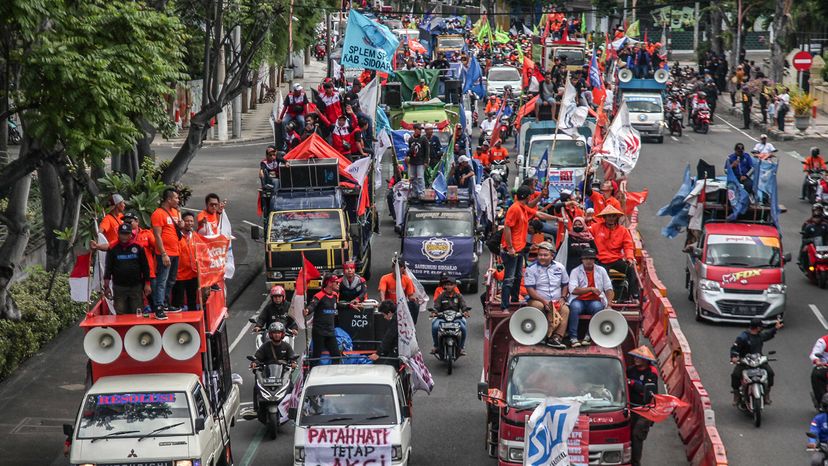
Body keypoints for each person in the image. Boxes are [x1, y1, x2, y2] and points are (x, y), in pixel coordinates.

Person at [501, 185, 558, 310]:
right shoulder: (515, 209)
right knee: (509, 278)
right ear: (527, 197)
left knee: (518, 276)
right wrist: (510, 247)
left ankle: (514, 301)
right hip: (512, 250)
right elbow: (507, 227)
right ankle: (505, 306)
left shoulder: (523, 208)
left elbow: (539, 214)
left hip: (519, 249)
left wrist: (557, 218)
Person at [524, 241, 570, 349]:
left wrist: (563, 298)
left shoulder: (560, 267)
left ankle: (556, 337)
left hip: (556, 300)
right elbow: (530, 290)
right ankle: (540, 335)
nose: (542, 257)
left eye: (545, 255)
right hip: (538, 299)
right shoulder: (531, 269)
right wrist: (544, 301)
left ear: (552, 256)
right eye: (540, 255)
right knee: (538, 306)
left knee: (565, 310)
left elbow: (565, 285)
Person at [566, 248, 614, 347]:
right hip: (579, 299)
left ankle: (589, 336)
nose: (589, 261)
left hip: (595, 300)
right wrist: (591, 289)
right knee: (574, 307)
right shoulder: (575, 271)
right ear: (582, 259)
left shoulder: (601, 270)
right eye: (586, 258)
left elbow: (609, 288)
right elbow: (573, 290)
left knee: (598, 307)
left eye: (591, 258)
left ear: (594, 260)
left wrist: (609, 304)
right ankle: (573, 337)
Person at [730, 318, 783, 404]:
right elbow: (735, 348)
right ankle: (736, 395)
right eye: (761, 327)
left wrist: (775, 328)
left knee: (770, 373)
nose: (762, 328)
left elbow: (768, 334)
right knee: (735, 375)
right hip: (745, 361)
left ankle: (766, 394)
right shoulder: (743, 337)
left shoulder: (760, 336)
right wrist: (734, 357)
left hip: (758, 360)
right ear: (757, 328)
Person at [590, 205, 639, 299]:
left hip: (616, 259)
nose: (611, 218)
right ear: (604, 217)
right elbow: (585, 233)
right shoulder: (595, 227)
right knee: (604, 277)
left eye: (613, 216)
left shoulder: (623, 231)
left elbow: (628, 246)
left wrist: (629, 258)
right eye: (609, 216)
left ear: (616, 217)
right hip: (600, 260)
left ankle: (634, 293)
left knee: (631, 270)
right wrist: (585, 222)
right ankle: (603, 298)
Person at [103, 223, 152, 316]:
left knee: (137, 312)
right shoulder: (112, 248)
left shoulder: (138, 247)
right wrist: (106, 287)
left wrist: (147, 284)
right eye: (122, 234)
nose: (124, 236)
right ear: (118, 234)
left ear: (131, 234)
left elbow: (145, 266)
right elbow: (108, 268)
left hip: (136, 286)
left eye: (126, 234)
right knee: (120, 313)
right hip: (119, 287)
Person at [151, 187, 183, 316]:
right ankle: (159, 306)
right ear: (168, 199)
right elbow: (157, 235)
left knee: (171, 280)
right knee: (162, 280)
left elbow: (178, 227)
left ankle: (165, 303)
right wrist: (163, 253)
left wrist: (180, 219)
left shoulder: (175, 211)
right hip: (166, 253)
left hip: (176, 251)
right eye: (175, 198)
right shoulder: (158, 214)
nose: (178, 200)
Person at [305, 274, 349, 365]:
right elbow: (312, 306)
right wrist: (307, 310)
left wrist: (350, 305)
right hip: (319, 332)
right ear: (329, 283)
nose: (338, 284)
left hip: (330, 332)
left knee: (336, 356)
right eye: (336, 282)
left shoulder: (335, 295)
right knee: (316, 357)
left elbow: (337, 305)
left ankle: (332, 375)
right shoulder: (319, 295)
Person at [627, 346, 659, 466]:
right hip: (631, 407)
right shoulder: (630, 370)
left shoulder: (651, 373)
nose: (636, 359)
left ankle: (636, 463)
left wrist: (632, 383)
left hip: (646, 409)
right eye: (635, 357)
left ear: (646, 360)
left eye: (639, 357)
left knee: (637, 434)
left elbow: (646, 391)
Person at [430, 276, 469, 355]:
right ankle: (436, 346)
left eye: (451, 284)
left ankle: (461, 347)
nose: (449, 286)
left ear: (455, 285)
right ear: (444, 286)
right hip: (442, 317)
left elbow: (463, 305)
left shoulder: (459, 296)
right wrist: (434, 312)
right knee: (434, 327)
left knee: (463, 328)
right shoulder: (441, 296)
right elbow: (436, 306)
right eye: (447, 284)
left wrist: (465, 311)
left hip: (456, 318)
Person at [171, 212, 198, 310]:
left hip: (193, 274)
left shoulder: (195, 236)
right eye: (187, 221)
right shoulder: (176, 236)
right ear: (182, 222)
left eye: (191, 221)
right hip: (179, 275)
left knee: (192, 301)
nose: (189, 223)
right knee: (177, 303)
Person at [406, 124, 430, 197]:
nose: (420, 131)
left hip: (420, 161)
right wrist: (409, 153)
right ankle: (414, 191)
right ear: (415, 130)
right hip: (413, 161)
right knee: (413, 177)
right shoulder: (411, 139)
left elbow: (427, 150)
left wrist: (426, 161)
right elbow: (409, 150)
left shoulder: (423, 139)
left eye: (420, 130)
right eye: (418, 129)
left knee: (420, 177)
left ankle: (421, 192)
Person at [811, 334, 828, 406]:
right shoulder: (823, 341)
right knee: (817, 374)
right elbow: (814, 354)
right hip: (824, 366)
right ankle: (820, 402)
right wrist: (817, 361)